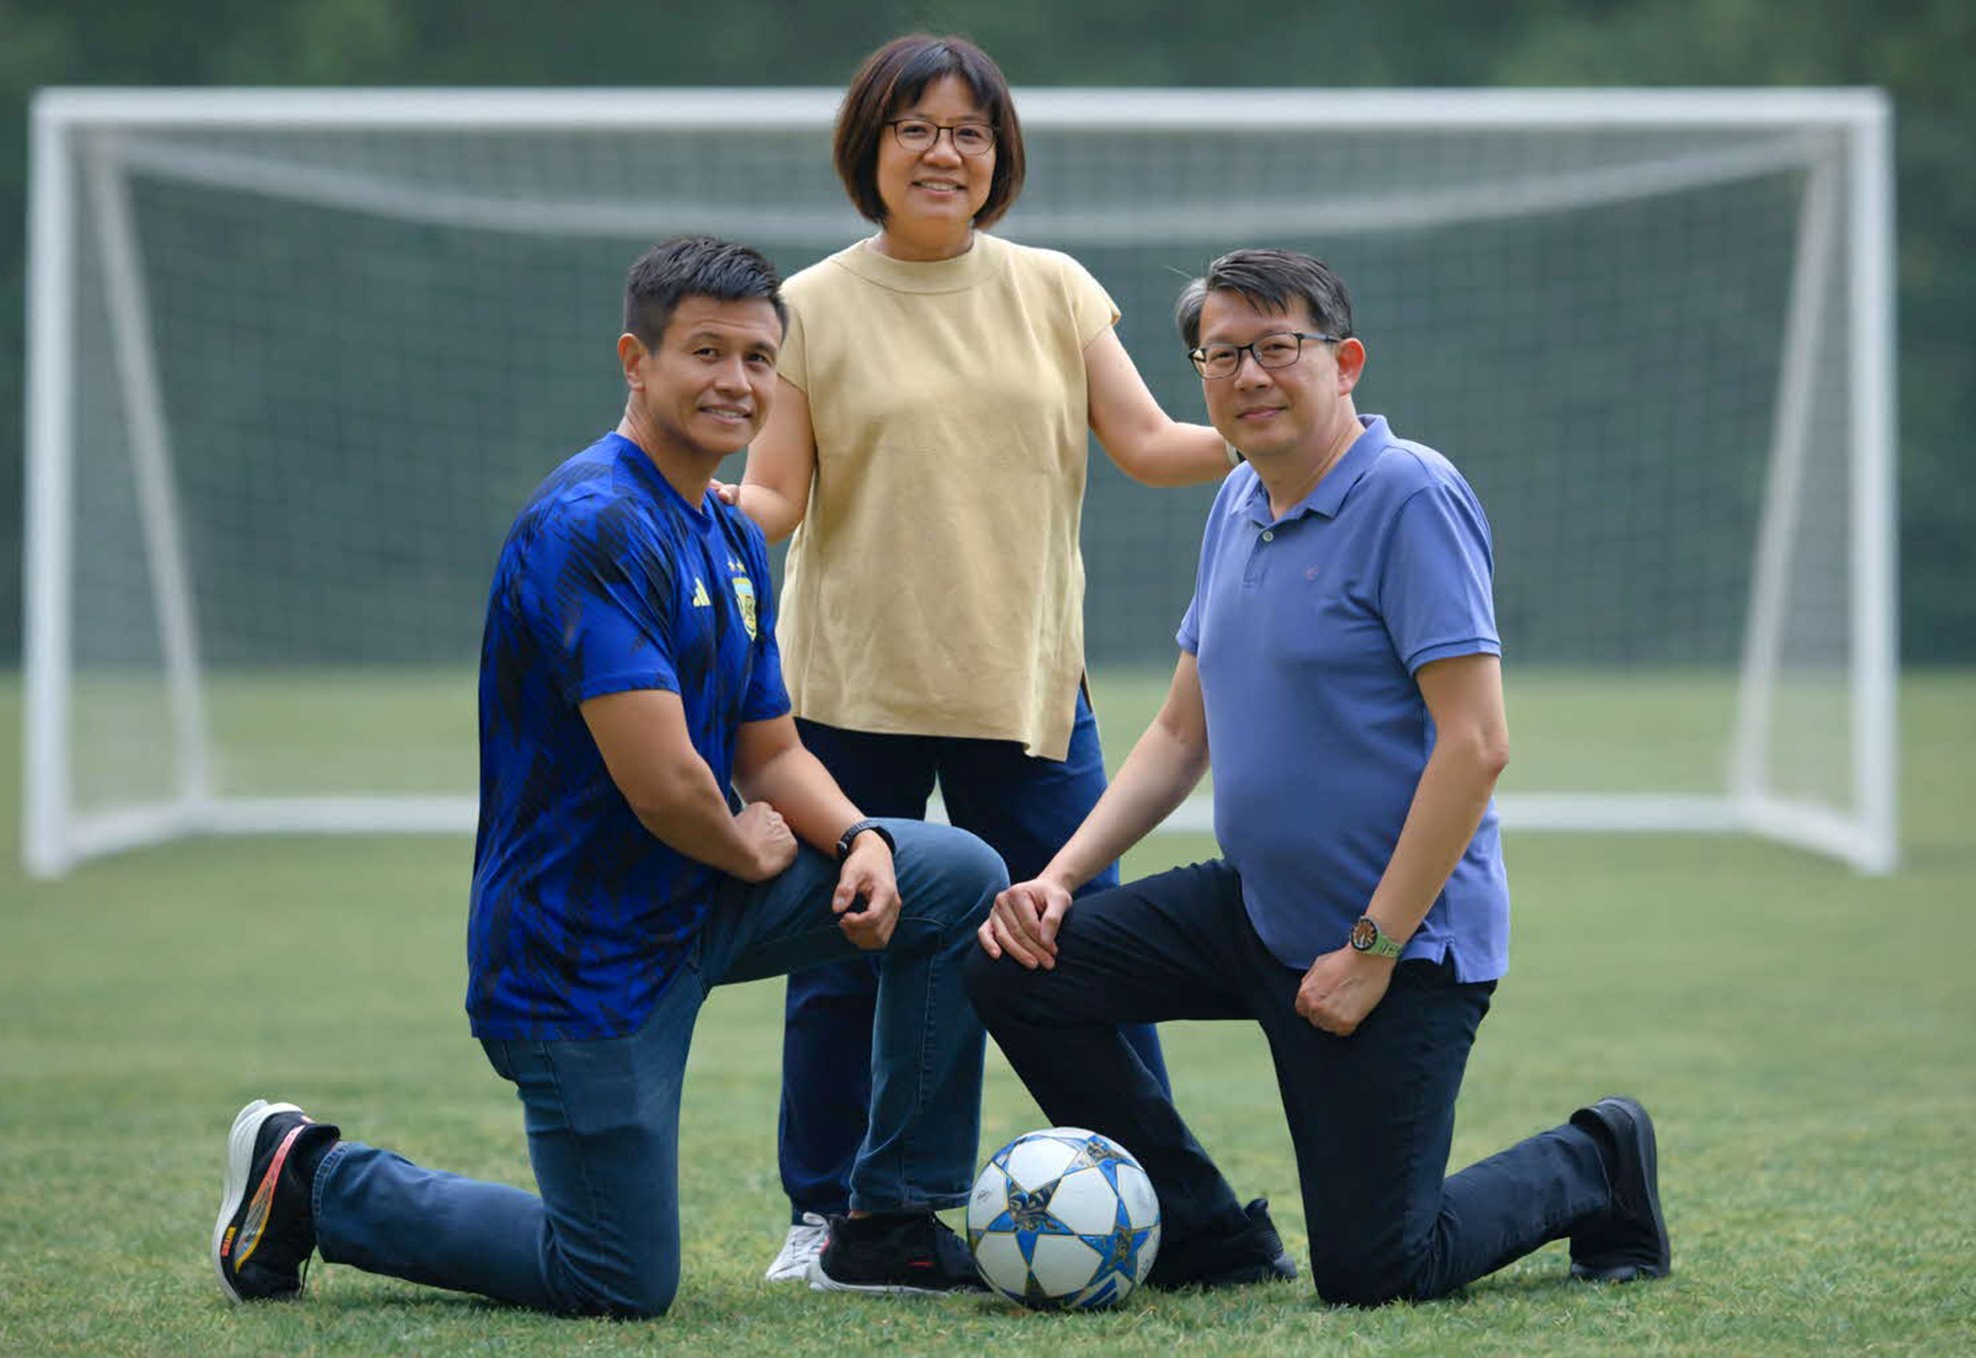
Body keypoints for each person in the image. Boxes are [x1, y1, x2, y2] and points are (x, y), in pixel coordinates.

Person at [210, 235, 1007, 1318]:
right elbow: (671, 787)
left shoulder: (727, 535)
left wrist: (859, 837)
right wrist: (748, 846)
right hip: (579, 952)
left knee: (952, 870)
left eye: (759, 358)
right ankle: (311, 1177)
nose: (736, 380)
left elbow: (766, 751)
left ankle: (889, 1221)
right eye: (706, 351)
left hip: (697, 896)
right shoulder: (592, 523)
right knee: (616, 1277)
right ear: (636, 359)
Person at [965, 249, 1670, 1302]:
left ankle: (1597, 1158)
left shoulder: (1410, 496)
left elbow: (1474, 744)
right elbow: (1174, 732)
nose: (1247, 374)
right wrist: (1058, 878)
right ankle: (1205, 1235)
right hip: (1253, 911)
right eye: (1220, 353)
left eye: (1274, 347)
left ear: (1342, 360)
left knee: (1379, 1269)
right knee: (1012, 961)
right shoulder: (1239, 498)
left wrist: (1373, 949)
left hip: (1398, 944)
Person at [720, 33, 1235, 1285]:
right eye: (915, 128)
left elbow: (1154, 443)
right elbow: (776, 494)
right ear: (871, 149)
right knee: (848, 948)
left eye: (969, 131)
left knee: (1091, 941)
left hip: (1025, 689)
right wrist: (666, 502)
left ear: (998, 155)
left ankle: (1157, 1201)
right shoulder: (811, 306)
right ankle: (827, 1216)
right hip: (845, 691)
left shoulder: (1055, 287)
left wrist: (1286, 426)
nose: (943, 151)